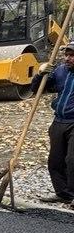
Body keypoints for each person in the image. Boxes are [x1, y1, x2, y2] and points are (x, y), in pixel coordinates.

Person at [33, 43, 74, 207]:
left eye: (72, 56)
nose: (67, 58)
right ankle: (64, 194)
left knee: (72, 160)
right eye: (66, 55)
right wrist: (40, 74)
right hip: (59, 120)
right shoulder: (60, 71)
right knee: (55, 161)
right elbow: (37, 89)